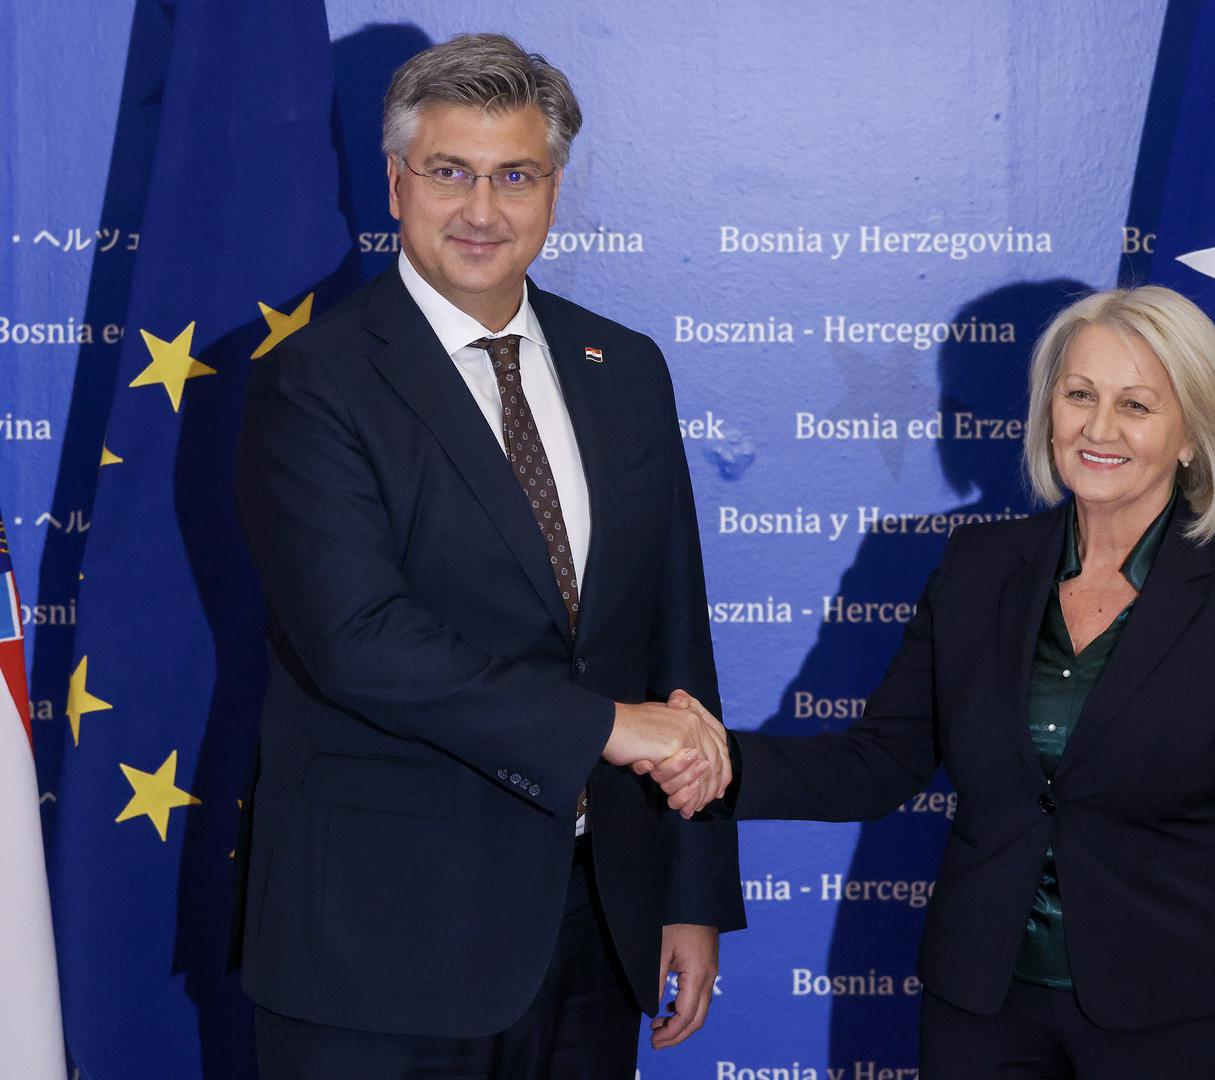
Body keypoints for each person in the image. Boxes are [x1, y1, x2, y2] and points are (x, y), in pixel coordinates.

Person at [648, 285, 1215, 1079]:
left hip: (1171, 1018)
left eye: (1136, 405)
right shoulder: (977, 567)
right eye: (1079, 395)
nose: (1098, 428)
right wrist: (717, 763)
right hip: (980, 1011)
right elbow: (876, 763)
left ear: (1190, 436)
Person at [232, 33, 740, 1079]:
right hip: (379, 940)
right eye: (449, 172)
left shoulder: (624, 366)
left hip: (592, 925)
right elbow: (358, 640)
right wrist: (610, 728)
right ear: (395, 183)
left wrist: (688, 891)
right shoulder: (315, 380)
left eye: (515, 175)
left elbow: (672, 633)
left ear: (553, 188)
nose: (481, 209)